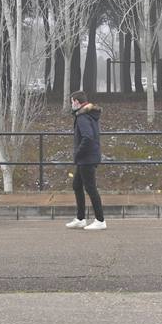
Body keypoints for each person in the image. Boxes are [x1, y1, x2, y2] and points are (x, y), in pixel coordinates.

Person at [65, 90, 106, 231]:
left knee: (90, 188)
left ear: (76, 102)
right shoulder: (88, 115)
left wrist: (77, 153)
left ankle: (100, 220)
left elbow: (88, 137)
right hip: (87, 158)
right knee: (77, 185)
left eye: (71, 102)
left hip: (86, 159)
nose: (71, 105)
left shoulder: (82, 117)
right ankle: (80, 218)